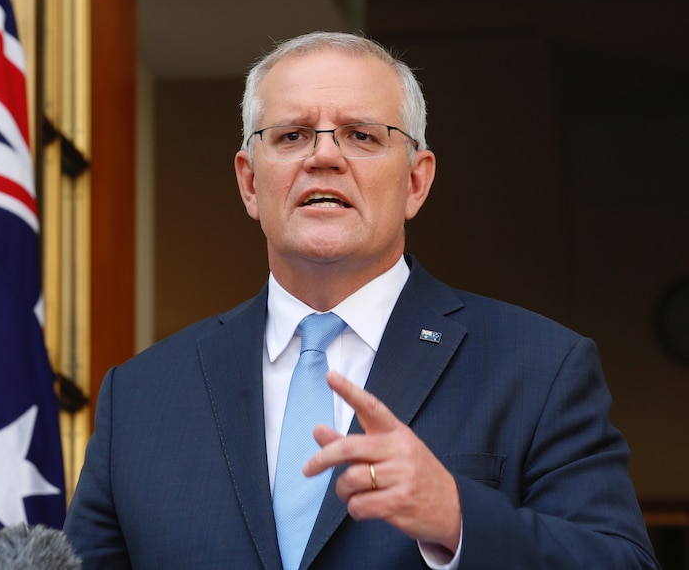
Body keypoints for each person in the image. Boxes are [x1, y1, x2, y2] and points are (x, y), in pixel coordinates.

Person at [63, 31, 660, 569]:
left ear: (416, 181)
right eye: (293, 135)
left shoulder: (540, 367)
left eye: (361, 136)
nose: (323, 156)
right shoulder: (141, 397)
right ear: (250, 181)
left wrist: (457, 518)